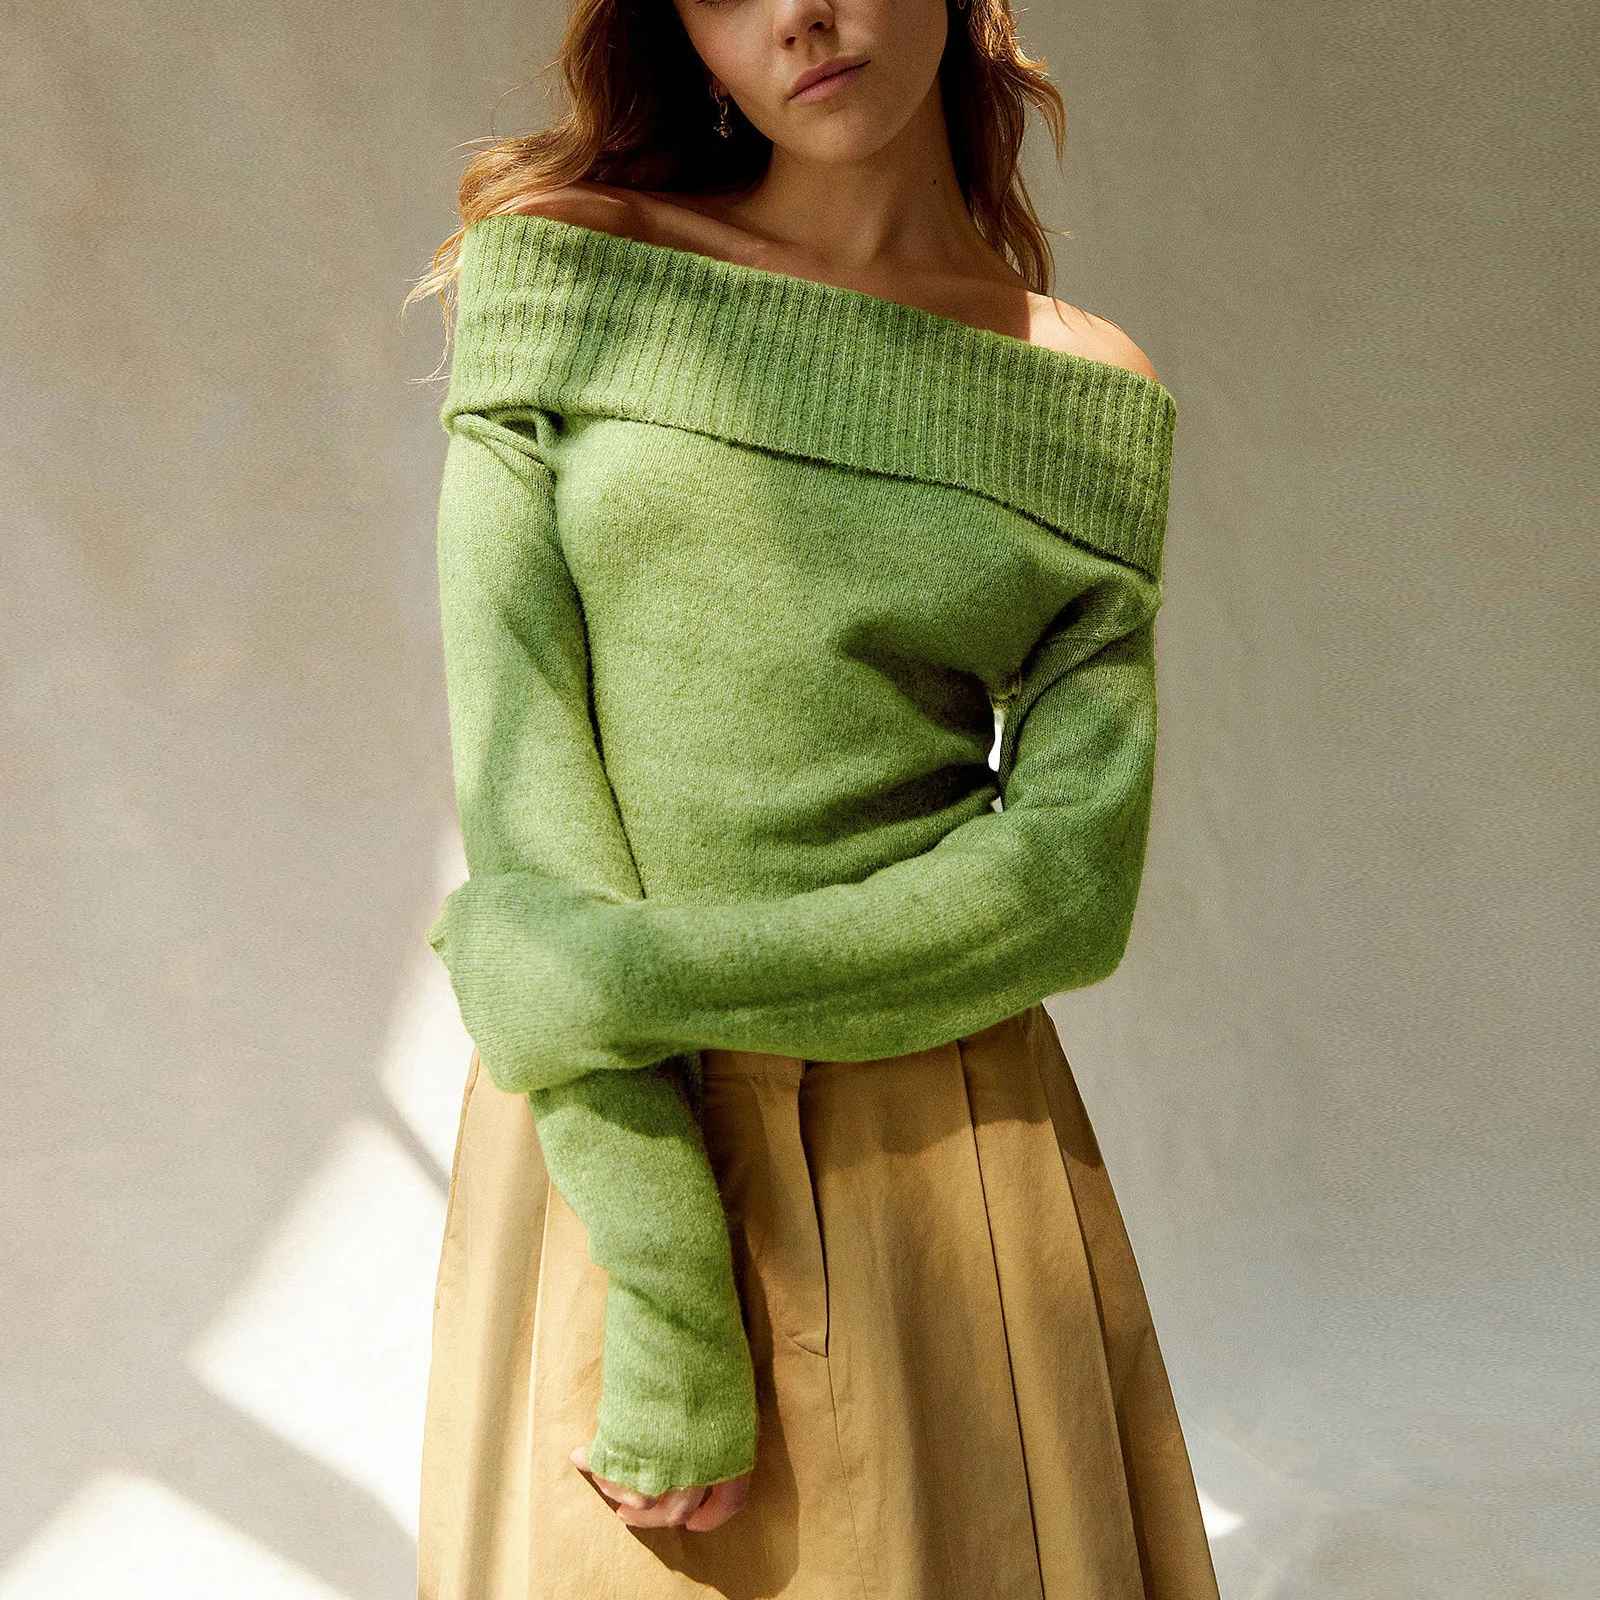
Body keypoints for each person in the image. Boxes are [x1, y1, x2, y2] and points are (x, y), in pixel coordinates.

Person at [406, 1, 1221, 1595]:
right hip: (609, 1132)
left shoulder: (1081, 388)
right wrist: (666, 1287)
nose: (801, 16)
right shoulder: (569, 267)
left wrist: (620, 979)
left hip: (934, 1157)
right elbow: (521, 768)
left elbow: (1070, 886)